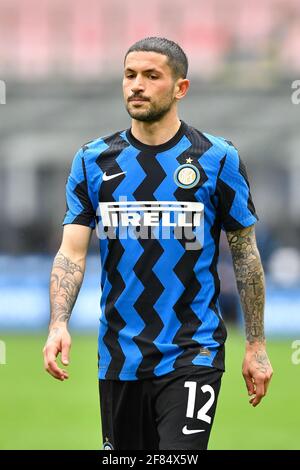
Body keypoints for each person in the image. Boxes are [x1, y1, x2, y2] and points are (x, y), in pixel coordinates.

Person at [43, 37, 273, 451]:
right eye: (130, 75)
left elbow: (246, 256)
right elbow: (71, 252)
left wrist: (255, 344)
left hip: (193, 350)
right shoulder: (93, 161)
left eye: (152, 76)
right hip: (119, 356)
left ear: (180, 88)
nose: (137, 85)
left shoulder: (217, 159)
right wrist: (58, 322)